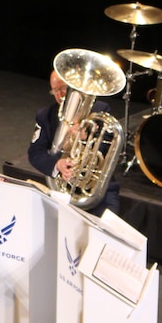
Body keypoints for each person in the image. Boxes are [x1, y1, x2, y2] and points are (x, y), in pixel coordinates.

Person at [27, 70, 121, 217]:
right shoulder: (45, 115)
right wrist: (57, 164)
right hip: (61, 191)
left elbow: (107, 150)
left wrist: (85, 139)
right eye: (55, 91)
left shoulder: (100, 110)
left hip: (98, 194)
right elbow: (35, 152)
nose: (60, 95)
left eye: (64, 88)